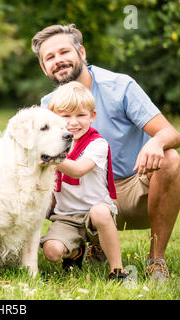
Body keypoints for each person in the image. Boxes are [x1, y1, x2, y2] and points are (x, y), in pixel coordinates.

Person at [32, 24, 180, 281]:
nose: (58, 61)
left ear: (81, 52)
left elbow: (172, 134)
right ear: (43, 67)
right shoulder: (48, 104)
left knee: (170, 159)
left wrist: (156, 142)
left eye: (64, 52)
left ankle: (156, 259)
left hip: (129, 189)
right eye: (50, 57)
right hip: (78, 197)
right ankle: (77, 245)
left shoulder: (120, 86)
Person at [41, 81, 128, 281]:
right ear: (53, 117)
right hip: (67, 216)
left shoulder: (97, 143)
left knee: (99, 212)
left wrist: (49, 158)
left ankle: (117, 270)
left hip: (97, 215)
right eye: (65, 116)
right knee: (51, 251)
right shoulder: (50, 144)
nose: (73, 122)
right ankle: (75, 252)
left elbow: (78, 170)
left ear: (92, 116)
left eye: (80, 115)